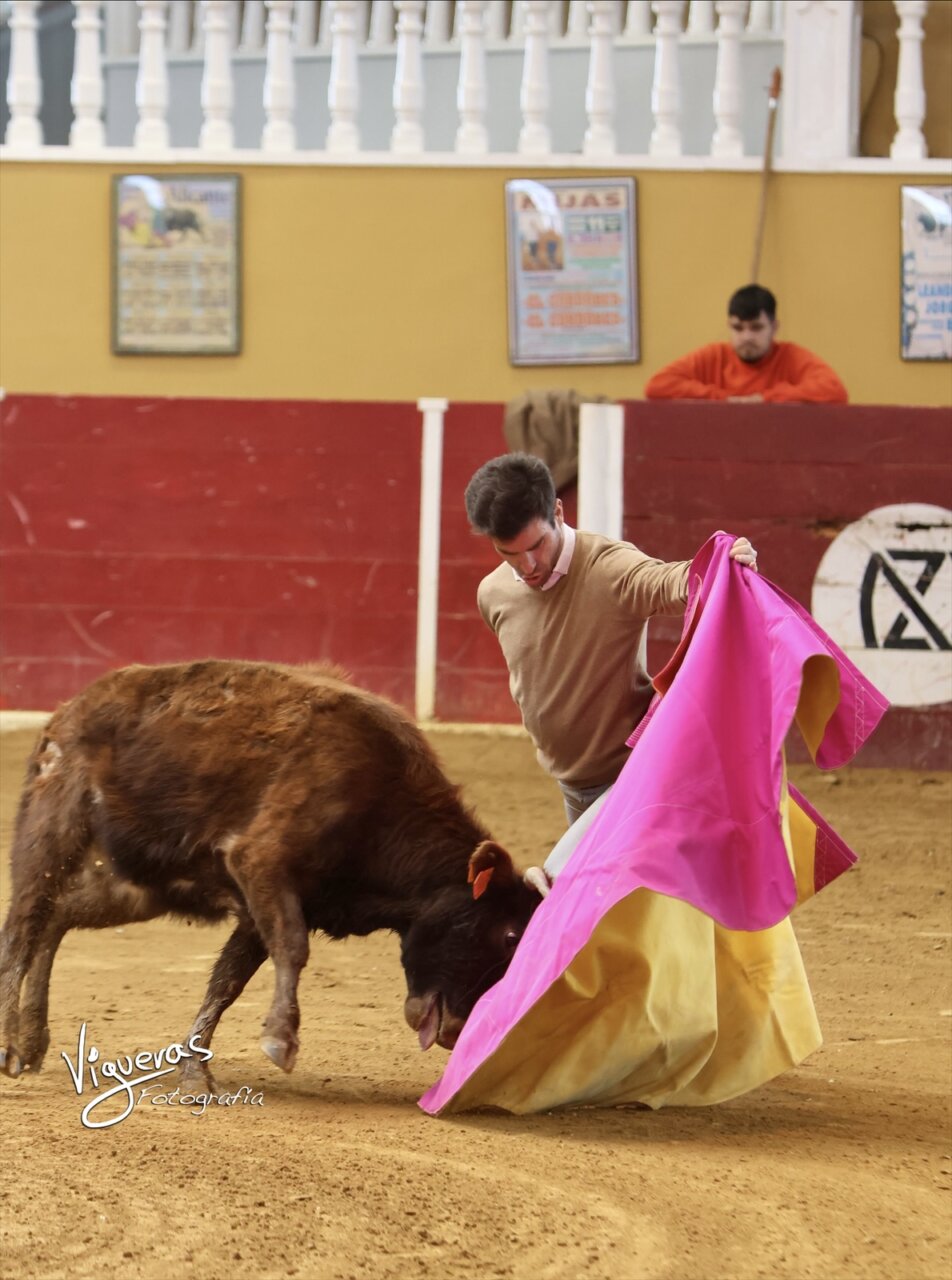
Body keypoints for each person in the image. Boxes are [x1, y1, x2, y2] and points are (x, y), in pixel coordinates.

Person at [464, 452, 758, 826]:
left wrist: (727, 566)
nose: (528, 566)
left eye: (537, 545)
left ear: (558, 512)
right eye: (509, 553)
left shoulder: (610, 568)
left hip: (635, 779)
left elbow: (674, 582)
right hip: (571, 784)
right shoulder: (493, 594)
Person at [644, 284, 848, 404]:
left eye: (756, 328)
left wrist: (765, 399)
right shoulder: (713, 355)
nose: (746, 337)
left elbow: (835, 391)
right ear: (728, 326)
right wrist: (722, 399)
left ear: (774, 327)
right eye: (738, 328)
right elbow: (657, 386)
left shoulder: (791, 356)